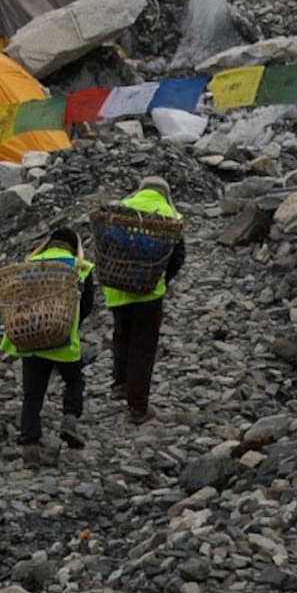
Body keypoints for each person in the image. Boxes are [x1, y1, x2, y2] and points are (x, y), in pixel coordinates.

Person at [3, 226, 99, 448]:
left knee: (32, 395)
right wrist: (68, 324)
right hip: (63, 340)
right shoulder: (79, 266)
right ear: (74, 247)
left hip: (31, 339)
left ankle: (30, 444)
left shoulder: (29, 264)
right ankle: (69, 420)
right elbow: (86, 304)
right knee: (74, 381)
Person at [100, 179, 188, 425]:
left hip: (117, 289)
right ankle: (138, 407)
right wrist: (160, 280)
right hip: (148, 294)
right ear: (165, 194)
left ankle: (120, 384)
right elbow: (178, 257)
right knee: (143, 347)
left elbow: (103, 245)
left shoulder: (120, 209)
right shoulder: (170, 215)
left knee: (122, 335)